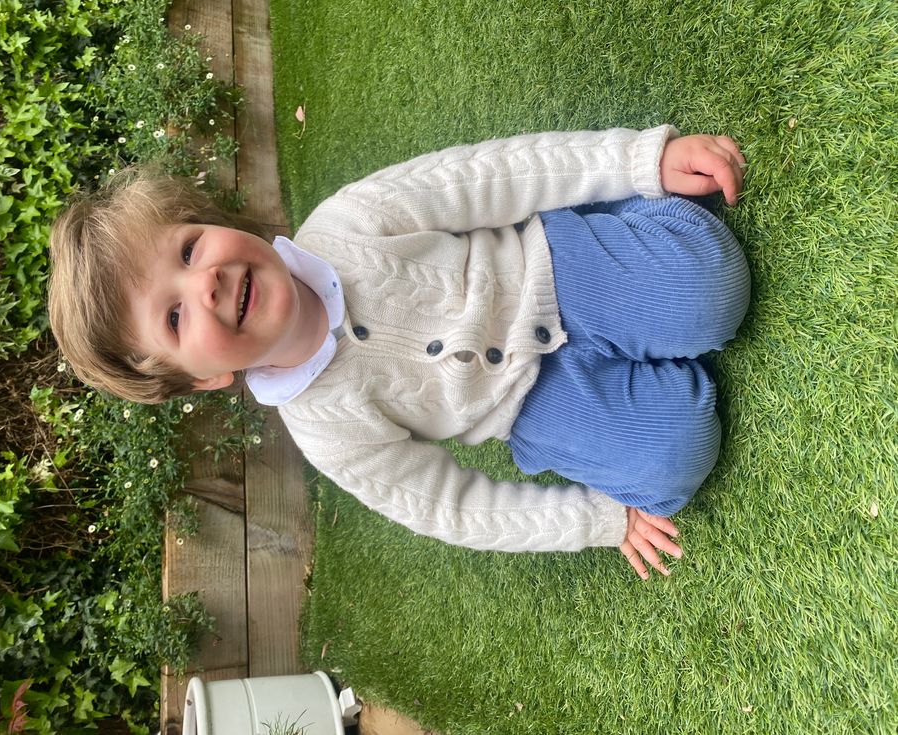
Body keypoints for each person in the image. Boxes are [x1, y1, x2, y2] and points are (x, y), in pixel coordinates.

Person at [48, 124, 750, 579]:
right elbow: (451, 507)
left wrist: (640, 162)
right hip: (531, 406)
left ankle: (629, 239)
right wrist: (598, 520)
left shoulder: (350, 222)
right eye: (174, 316)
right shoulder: (326, 432)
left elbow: (496, 174)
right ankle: (641, 380)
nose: (204, 282)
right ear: (205, 377)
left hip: (552, 268)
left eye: (188, 249)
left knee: (718, 290)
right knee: (677, 461)